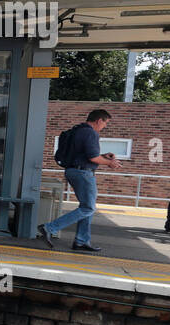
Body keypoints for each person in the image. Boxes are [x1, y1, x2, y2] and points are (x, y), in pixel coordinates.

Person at [38, 108, 122, 253]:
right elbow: (93, 158)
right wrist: (110, 163)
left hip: (73, 170)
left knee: (86, 207)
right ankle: (49, 228)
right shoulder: (91, 133)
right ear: (99, 120)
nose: (105, 126)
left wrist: (104, 156)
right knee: (88, 208)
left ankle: (81, 241)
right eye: (105, 123)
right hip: (83, 173)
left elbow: (86, 155)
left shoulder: (78, 130)